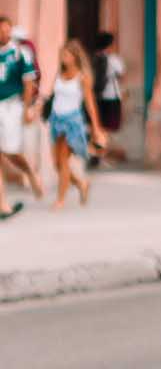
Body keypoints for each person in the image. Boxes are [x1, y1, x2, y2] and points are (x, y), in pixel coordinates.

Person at [46, 39, 105, 209]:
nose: (63, 57)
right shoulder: (59, 74)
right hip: (56, 120)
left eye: (66, 55)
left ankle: (60, 200)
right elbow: (53, 96)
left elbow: (90, 104)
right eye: (62, 54)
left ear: (74, 57)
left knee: (63, 161)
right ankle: (81, 184)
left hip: (71, 122)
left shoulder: (82, 77)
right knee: (57, 164)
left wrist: (96, 128)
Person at [0, 14, 40, 217]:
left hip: (12, 106)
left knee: (9, 150)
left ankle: (29, 170)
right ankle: (3, 205)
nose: (4, 33)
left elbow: (28, 82)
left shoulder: (19, 53)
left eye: (7, 29)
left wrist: (27, 108)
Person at [91, 29, 127, 164]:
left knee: (98, 125)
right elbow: (122, 74)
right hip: (111, 96)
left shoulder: (93, 58)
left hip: (96, 96)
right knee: (107, 128)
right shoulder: (113, 59)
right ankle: (100, 154)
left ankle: (97, 153)